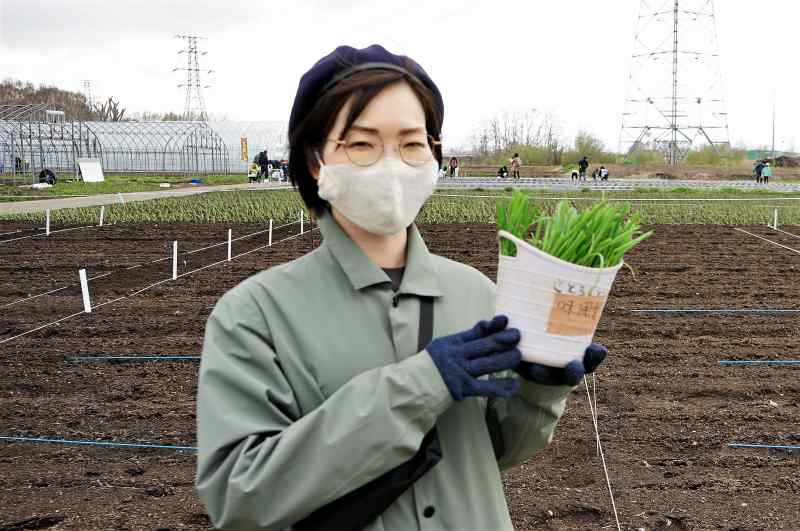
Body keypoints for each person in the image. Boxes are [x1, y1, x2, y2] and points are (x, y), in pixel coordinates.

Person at [195, 44, 609, 531]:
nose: (392, 165)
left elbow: (497, 451)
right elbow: (239, 495)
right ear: (314, 160)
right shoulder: (254, 314)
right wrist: (421, 384)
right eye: (363, 144)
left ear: (434, 155)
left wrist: (539, 391)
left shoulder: (474, 292)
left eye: (412, 144)